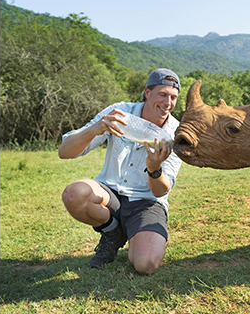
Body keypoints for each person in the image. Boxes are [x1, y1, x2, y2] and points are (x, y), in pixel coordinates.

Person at [58, 68, 182, 275]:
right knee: (74, 194)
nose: (168, 103)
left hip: (147, 202)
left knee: (146, 264)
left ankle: (134, 234)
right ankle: (112, 231)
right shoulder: (120, 113)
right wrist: (95, 129)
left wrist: (153, 169)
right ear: (147, 92)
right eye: (162, 94)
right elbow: (65, 152)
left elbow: (161, 191)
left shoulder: (175, 134)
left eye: (173, 97)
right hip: (110, 192)